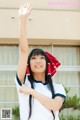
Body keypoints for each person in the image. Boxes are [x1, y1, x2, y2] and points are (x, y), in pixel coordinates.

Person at [15, 2, 66, 120]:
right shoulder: (23, 83)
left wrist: (31, 91)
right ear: (29, 65)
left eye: (41, 58)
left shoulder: (57, 87)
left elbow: (55, 105)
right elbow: (23, 51)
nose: (38, 61)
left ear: (47, 64)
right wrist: (22, 20)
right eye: (33, 58)